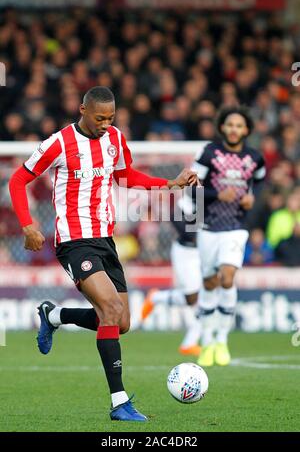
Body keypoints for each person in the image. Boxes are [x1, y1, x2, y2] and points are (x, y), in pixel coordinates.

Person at [9, 86, 197, 422]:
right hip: (74, 241)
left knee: (121, 322)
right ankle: (119, 402)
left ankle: (54, 316)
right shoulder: (59, 143)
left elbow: (125, 176)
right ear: (83, 109)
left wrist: (170, 183)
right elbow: (18, 180)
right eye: (99, 118)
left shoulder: (114, 139)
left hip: (104, 240)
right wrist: (27, 225)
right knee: (110, 308)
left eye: (110, 118)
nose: (105, 124)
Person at [192, 106, 265, 367]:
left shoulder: (255, 158)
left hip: (236, 226)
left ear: (246, 130)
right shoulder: (209, 153)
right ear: (222, 127)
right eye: (230, 124)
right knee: (210, 282)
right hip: (208, 227)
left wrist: (252, 199)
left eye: (239, 125)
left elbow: (260, 184)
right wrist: (214, 194)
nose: (234, 129)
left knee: (228, 275)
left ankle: (222, 339)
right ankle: (208, 340)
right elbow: (191, 188)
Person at [141, 194, 202, 356]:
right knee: (193, 298)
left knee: (204, 296)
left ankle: (191, 342)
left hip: (204, 251)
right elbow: (176, 216)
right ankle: (156, 298)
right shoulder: (198, 194)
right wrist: (192, 235)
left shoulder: (220, 198)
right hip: (186, 252)